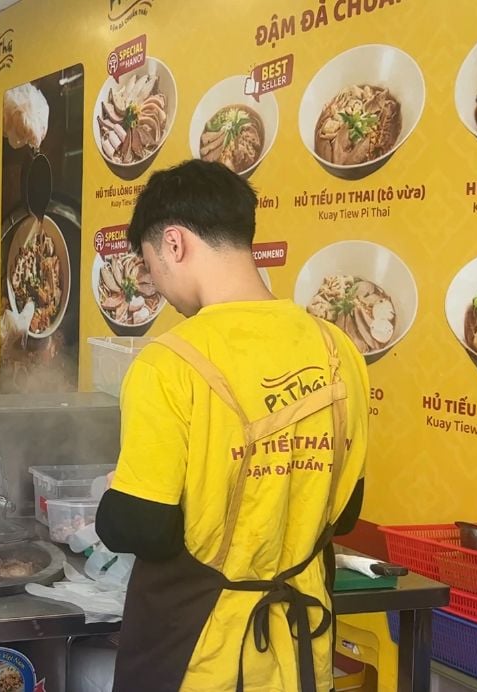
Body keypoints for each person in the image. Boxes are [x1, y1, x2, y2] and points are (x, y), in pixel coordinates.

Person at [95, 160, 369, 692]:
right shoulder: (340, 351)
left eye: (151, 266)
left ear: (174, 243)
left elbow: (141, 526)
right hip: (299, 647)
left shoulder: (169, 362)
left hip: (201, 655)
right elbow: (348, 509)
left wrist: (115, 497)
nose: (159, 287)